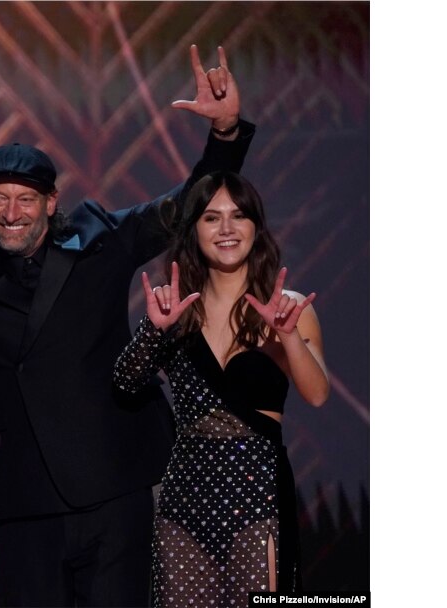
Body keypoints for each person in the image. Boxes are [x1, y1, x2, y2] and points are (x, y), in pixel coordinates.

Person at [0, 45, 254, 606]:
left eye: (26, 200)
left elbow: (184, 207)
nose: (11, 214)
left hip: (112, 484)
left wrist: (224, 137)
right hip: (24, 496)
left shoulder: (98, 239)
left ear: (52, 202)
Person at [113, 171, 328, 605]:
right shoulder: (175, 308)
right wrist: (154, 332)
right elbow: (124, 382)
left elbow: (317, 394)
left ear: (256, 227)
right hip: (184, 505)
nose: (227, 229)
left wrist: (287, 336)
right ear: (194, 229)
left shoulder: (289, 307)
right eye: (212, 218)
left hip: (258, 497)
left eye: (239, 216)